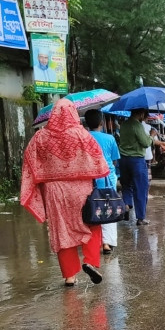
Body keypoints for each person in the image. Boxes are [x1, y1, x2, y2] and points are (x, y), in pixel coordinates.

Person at [20, 98, 106, 287]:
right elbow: (99, 160)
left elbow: (29, 161)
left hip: (55, 192)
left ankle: (69, 277)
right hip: (81, 189)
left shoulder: (40, 137)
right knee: (91, 223)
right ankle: (90, 262)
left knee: (62, 231)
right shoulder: (82, 135)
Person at [84, 109, 121, 254]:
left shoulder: (83, 137)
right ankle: (107, 243)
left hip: (88, 179)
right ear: (101, 122)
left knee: (91, 208)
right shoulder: (109, 138)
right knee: (109, 208)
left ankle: (93, 241)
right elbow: (114, 160)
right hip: (107, 178)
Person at [117, 108, 153, 225]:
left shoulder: (124, 124)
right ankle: (140, 218)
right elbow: (145, 143)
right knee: (141, 188)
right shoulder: (137, 125)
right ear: (141, 113)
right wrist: (151, 136)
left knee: (126, 185)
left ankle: (127, 205)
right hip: (136, 160)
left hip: (123, 159)